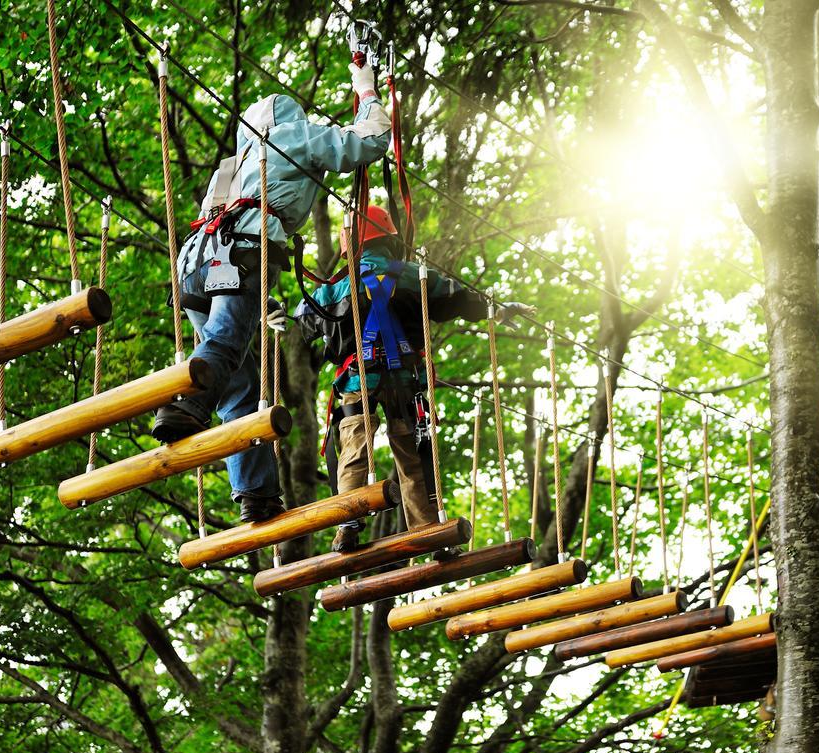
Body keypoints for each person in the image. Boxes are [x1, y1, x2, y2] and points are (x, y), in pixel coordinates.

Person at [151, 64, 391, 524]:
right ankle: (186, 403)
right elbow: (371, 140)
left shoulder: (231, 166)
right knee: (225, 341)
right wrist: (365, 89)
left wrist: (263, 302)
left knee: (239, 384)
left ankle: (255, 493)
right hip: (241, 253)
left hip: (194, 268)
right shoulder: (291, 137)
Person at [293, 205, 534, 552]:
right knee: (413, 458)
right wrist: (497, 308)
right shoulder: (416, 276)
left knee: (354, 448)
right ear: (391, 241)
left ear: (351, 247)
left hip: (357, 380)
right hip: (406, 381)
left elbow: (304, 320)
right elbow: (459, 299)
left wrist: (274, 314)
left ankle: (348, 522)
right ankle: (428, 531)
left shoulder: (335, 290)